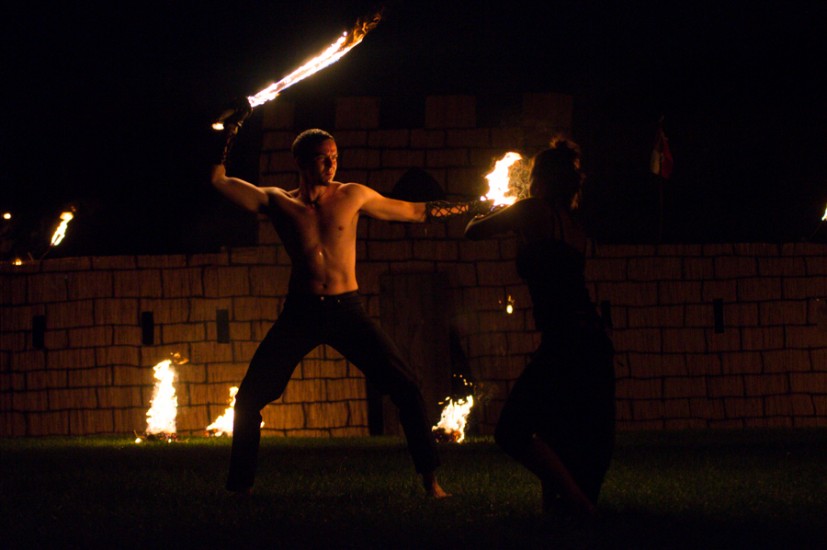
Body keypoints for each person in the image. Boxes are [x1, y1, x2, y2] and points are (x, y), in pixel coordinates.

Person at [208, 97, 483, 498]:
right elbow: (219, 181)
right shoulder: (278, 201)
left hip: (347, 310)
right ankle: (239, 488)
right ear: (300, 162)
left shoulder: (353, 195)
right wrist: (229, 133)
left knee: (406, 388)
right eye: (323, 158)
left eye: (335, 157)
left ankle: (431, 481)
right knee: (249, 400)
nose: (331, 164)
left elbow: (414, 212)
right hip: (301, 312)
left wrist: (473, 205)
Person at [464, 139, 616, 517]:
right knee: (554, 428)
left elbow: (472, 231)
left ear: (541, 179)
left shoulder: (531, 210)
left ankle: (580, 506)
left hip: (567, 340)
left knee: (511, 431)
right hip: (589, 338)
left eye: (533, 175)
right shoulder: (575, 227)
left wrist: (488, 206)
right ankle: (555, 511)